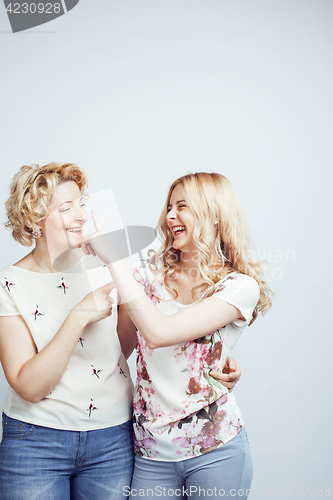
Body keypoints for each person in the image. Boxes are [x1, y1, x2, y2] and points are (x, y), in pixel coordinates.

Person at [0, 164, 241, 500]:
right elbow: (30, 386)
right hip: (37, 441)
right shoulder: (10, 283)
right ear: (33, 218)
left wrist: (214, 360)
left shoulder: (115, 269)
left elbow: (147, 334)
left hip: (112, 438)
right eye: (65, 207)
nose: (81, 215)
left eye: (81, 204)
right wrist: (79, 315)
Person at [82, 172, 272, 500]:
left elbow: (159, 333)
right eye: (169, 207)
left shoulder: (239, 287)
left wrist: (113, 256)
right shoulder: (145, 278)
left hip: (215, 448)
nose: (170, 216)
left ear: (215, 215)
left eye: (182, 206)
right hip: (151, 452)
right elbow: (117, 353)